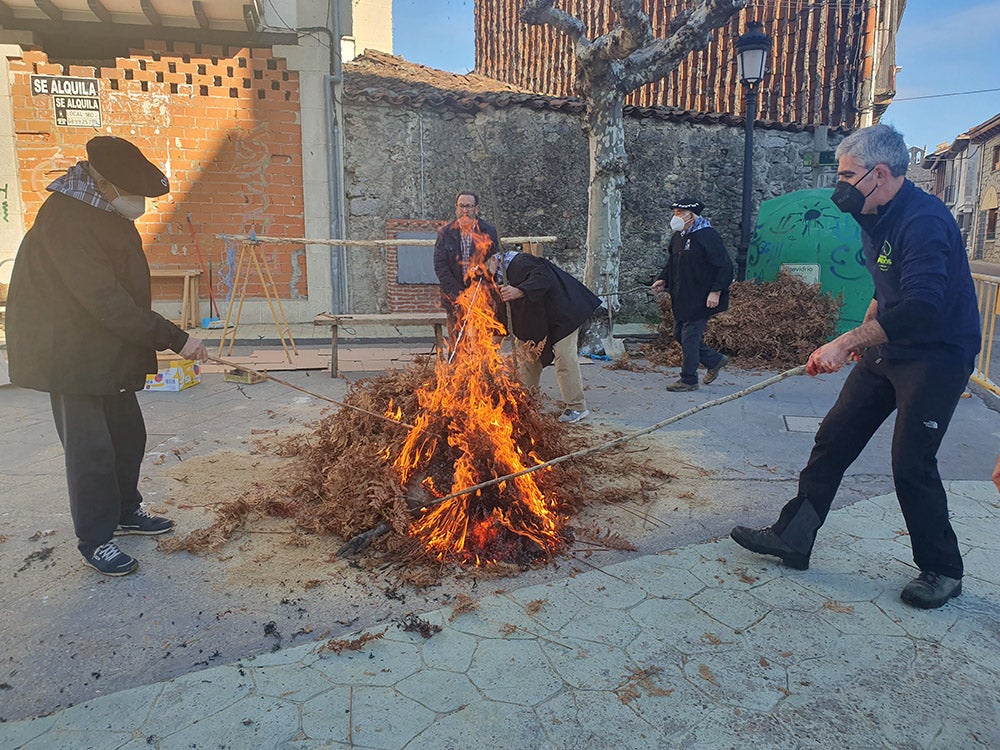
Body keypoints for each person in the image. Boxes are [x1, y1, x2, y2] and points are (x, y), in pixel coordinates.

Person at [729, 124, 981, 610]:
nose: (839, 184)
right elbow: (884, 292)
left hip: (937, 354)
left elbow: (922, 307)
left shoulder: (923, 222)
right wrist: (860, 340)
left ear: (879, 174)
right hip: (890, 346)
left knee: (910, 461)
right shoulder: (873, 214)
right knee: (835, 436)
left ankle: (944, 570)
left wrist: (846, 342)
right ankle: (793, 537)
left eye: (846, 174)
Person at [5, 136, 208, 577]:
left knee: (127, 435)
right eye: (131, 193)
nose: (137, 203)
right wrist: (175, 338)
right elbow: (104, 299)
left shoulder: (106, 211)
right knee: (90, 448)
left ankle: (124, 512)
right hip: (67, 349)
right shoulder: (65, 218)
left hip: (103, 342)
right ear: (101, 180)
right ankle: (96, 538)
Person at [489, 249, 601, 423]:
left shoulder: (521, 262)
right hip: (534, 322)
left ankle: (576, 407)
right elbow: (501, 313)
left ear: (492, 259)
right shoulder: (494, 280)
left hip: (563, 314)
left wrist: (518, 291)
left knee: (564, 357)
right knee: (527, 359)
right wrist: (492, 343)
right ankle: (527, 404)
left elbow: (544, 278)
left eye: (480, 267)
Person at [651, 198, 732, 391]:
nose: (675, 216)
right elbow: (673, 262)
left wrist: (715, 292)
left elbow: (724, 266)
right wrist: (663, 279)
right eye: (675, 212)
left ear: (692, 216)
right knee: (679, 334)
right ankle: (715, 360)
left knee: (689, 337)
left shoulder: (707, 235)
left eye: (680, 213)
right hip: (682, 296)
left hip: (701, 296)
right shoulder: (679, 236)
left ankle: (688, 379)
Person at [433, 192, 500, 340]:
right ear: (456, 208)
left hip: (481, 297)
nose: (465, 211)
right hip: (454, 298)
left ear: (477, 209)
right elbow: (440, 266)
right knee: (457, 344)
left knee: (482, 344)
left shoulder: (489, 232)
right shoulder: (445, 233)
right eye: (461, 206)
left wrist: (475, 291)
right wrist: (460, 295)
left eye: (469, 206)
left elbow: (494, 263)